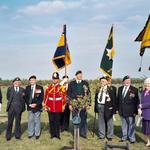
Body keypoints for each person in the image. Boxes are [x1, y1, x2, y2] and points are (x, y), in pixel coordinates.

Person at [68, 70, 91, 138]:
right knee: (75, 119)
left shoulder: (85, 83)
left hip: (83, 104)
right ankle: (76, 133)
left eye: (81, 74)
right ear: (76, 76)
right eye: (79, 74)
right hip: (74, 104)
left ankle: (83, 133)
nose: (80, 76)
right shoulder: (71, 83)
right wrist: (69, 104)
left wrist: (88, 104)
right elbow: (68, 94)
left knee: (83, 118)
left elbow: (89, 94)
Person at [117, 75, 139, 143]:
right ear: (123, 81)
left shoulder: (134, 89)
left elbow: (137, 101)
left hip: (130, 111)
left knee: (131, 125)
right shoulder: (120, 88)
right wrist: (117, 109)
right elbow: (118, 99)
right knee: (124, 125)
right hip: (121, 110)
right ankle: (124, 137)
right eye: (126, 81)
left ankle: (132, 138)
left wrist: (136, 111)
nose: (127, 82)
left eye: (129, 81)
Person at [44, 72, 66, 139]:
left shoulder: (61, 87)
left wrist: (63, 105)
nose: (54, 80)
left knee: (57, 121)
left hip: (58, 107)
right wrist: (45, 106)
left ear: (58, 79)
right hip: (50, 107)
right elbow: (46, 97)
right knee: (51, 121)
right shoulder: (49, 87)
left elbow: (64, 97)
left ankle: (57, 134)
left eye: (56, 79)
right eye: (53, 79)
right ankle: (52, 134)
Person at [94, 77, 116, 141]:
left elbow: (113, 100)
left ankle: (109, 136)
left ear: (107, 82)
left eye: (103, 81)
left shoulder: (110, 89)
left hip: (107, 107)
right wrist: (96, 108)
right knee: (101, 121)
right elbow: (96, 99)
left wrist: (113, 109)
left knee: (109, 121)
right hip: (99, 106)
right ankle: (102, 135)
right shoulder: (98, 89)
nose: (102, 82)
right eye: (101, 81)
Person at [25, 75, 44, 140]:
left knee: (37, 121)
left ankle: (37, 134)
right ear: (29, 81)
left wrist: (36, 104)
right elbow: (25, 97)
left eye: (33, 80)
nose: (32, 81)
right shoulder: (27, 88)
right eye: (30, 80)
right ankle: (30, 133)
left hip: (37, 107)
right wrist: (29, 104)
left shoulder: (39, 87)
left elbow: (41, 98)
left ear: (35, 80)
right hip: (30, 107)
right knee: (30, 120)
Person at [138, 78, 150, 147]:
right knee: (146, 129)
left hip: (149, 113)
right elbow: (140, 102)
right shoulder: (143, 92)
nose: (146, 86)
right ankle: (148, 141)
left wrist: (142, 106)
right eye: (145, 84)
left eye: (148, 84)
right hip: (144, 113)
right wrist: (139, 108)